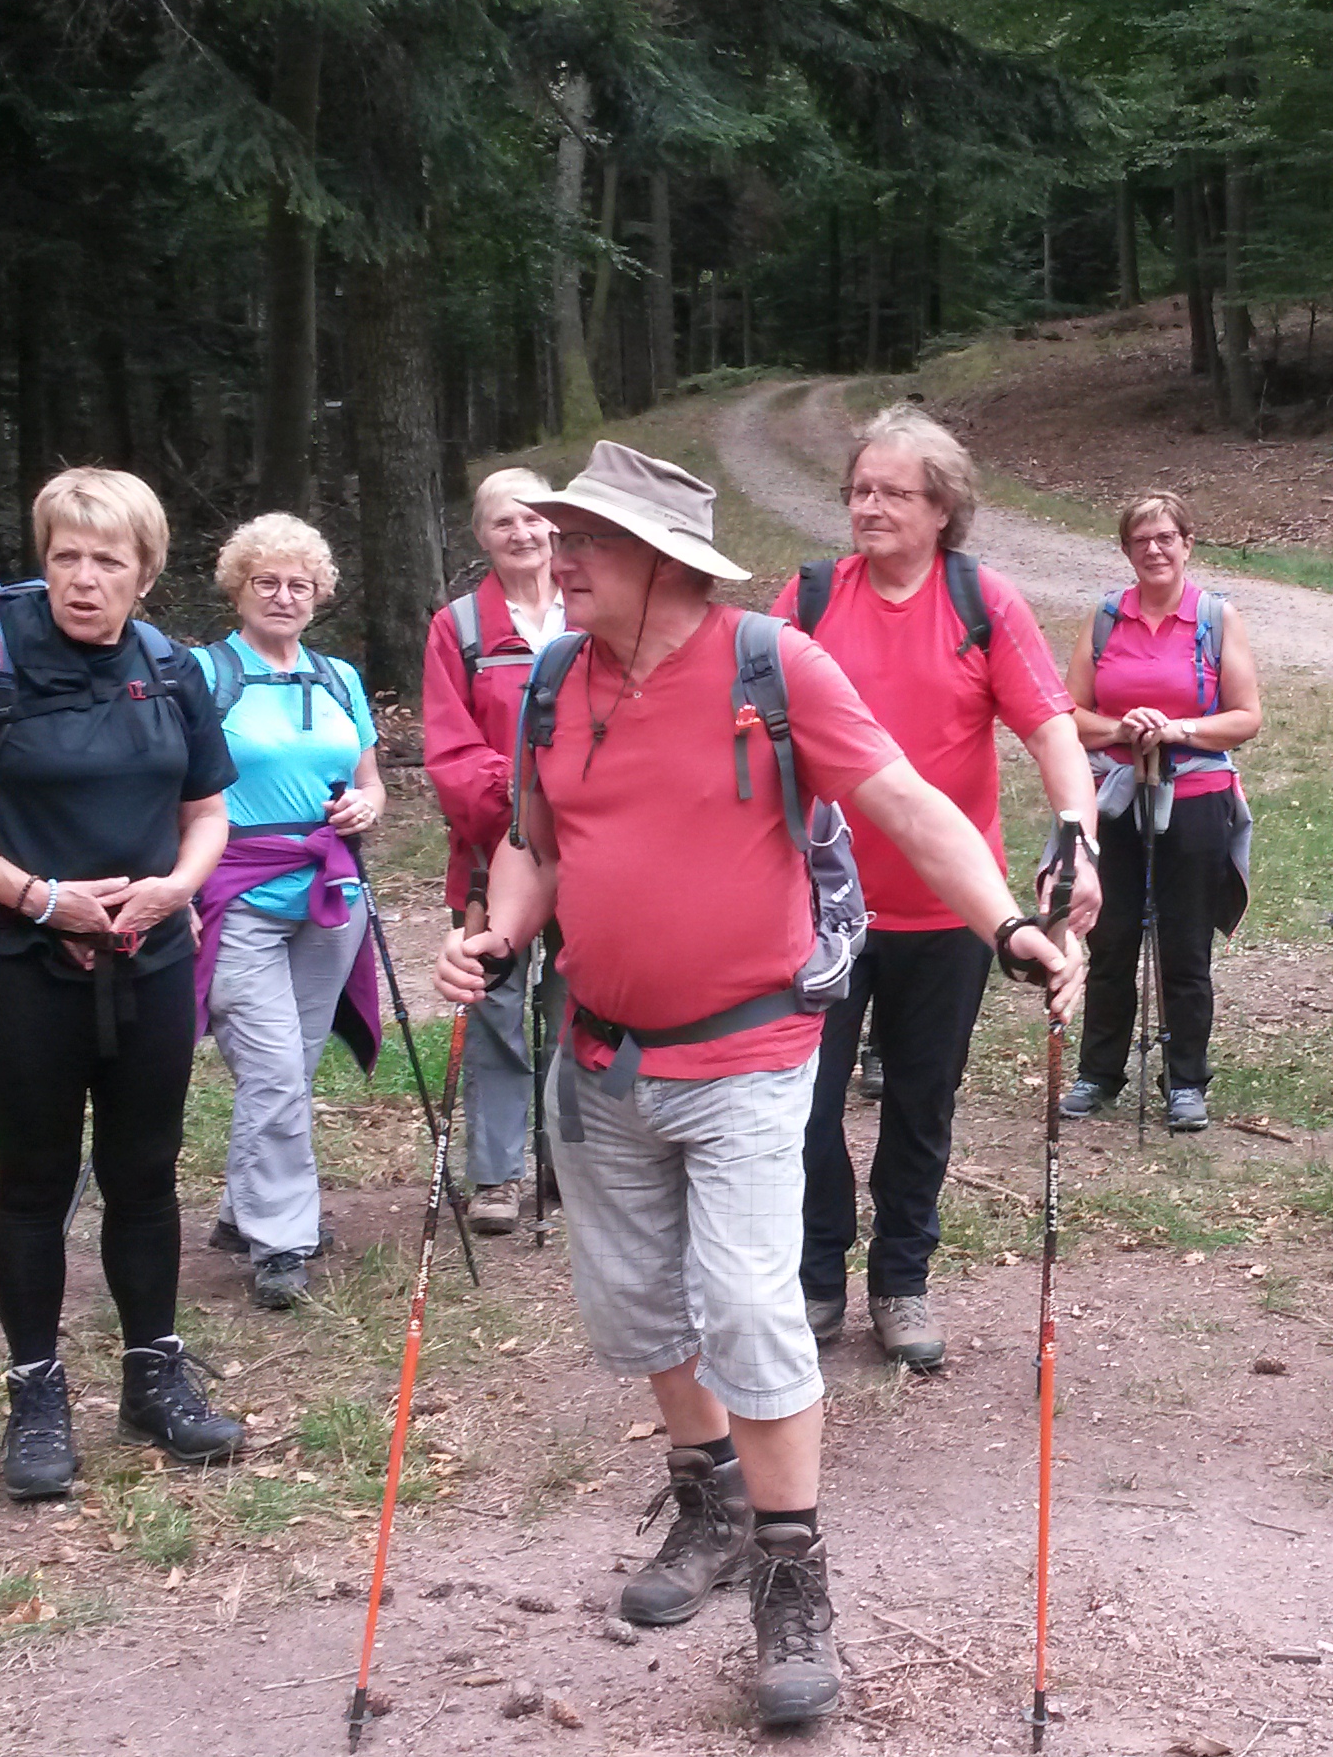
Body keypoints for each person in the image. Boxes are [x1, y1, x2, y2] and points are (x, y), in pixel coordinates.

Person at [434, 441, 1079, 1727]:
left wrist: (1010, 925)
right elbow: (534, 844)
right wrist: (498, 936)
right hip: (600, 1058)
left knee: (746, 1303)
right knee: (642, 1309)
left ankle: (793, 1576)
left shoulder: (772, 665)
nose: (559, 556)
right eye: (559, 534)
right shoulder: (554, 678)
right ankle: (712, 1501)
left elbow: (910, 806)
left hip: (747, 1053)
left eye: (587, 540)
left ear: (664, 563)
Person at [0, 466, 244, 1501]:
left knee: (147, 1172)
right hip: (16, 964)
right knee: (35, 1180)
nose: (84, 580)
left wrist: (177, 888)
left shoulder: (170, 667)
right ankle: (36, 1395)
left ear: (147, 572)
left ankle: (153, 1379)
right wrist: (41, 899)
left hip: (149, 957)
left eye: (108, 561)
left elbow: (206, 809)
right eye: (66, 558)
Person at [772, 405, 1100, 1372]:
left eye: (892, 493)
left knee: (922, 1102)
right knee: (807, 1104)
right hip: (821, 908)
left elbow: (1051, 729)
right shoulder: (810, 596)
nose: (868, 508)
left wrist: (1076, 833)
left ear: (942, 507)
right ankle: (817, 1273)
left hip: (952, 909)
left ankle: (901, 1277)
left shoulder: (980, 601)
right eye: (859, 490)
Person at [191, 514, 385, 1311]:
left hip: (330, 893)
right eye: (266, 581)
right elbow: (173, 786)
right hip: (238, 890)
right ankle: (281, 1243)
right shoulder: (203, 674)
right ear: (238, 589)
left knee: (292, 1067)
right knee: (271, 1070)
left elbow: (370, 782)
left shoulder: (339, 678)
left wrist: (366, 807)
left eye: (299, 584)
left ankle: (245, 1210)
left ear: (319, 594)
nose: (283, 596)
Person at [1059, 493, 1263, 1132]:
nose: (1154, 550)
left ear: (1187, 544)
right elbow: (1067, 713)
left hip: (1197, 799)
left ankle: (1186, 1080)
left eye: (1166, 537)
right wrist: (1122, 728)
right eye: (1141, 540)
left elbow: (1246, 717)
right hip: (1116, 798)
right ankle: (1098, 1073)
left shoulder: (1215, 618)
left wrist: (1176, 730)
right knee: (1110, 936)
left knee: (1185, 943)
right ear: (1127, 550)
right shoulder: (1104, 619)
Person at [420, 467, 565, 1237]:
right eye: (504, 522)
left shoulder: (588, 608)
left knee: (580, 1005)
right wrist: (527, 804)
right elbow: (450, 751)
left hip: (590, 853)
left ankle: (572, 1159)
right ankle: (498, 1173)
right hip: (489, 852)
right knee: (496, 1008)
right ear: (481, 535)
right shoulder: (459, 629)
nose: (522, 533)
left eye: (534, 518)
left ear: (555, 525)